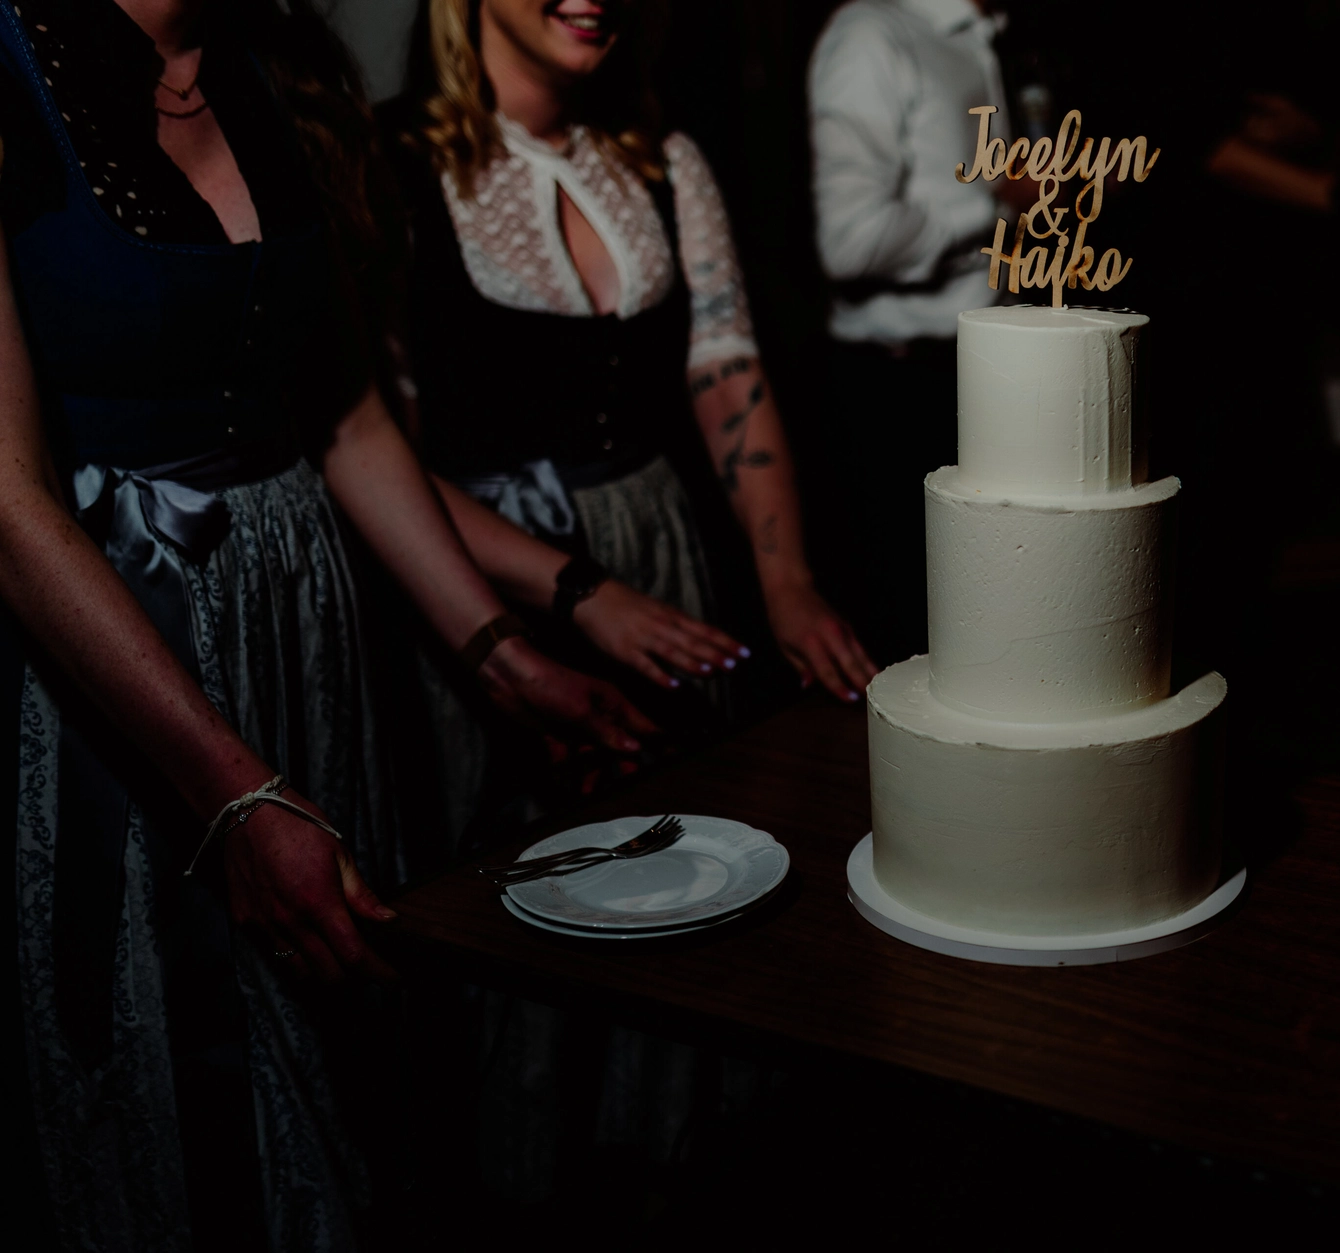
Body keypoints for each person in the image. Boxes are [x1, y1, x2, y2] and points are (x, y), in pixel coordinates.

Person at [0, 0, 656, 1246]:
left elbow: (346, 416)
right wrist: (236, 794)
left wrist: (500, 653)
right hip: (118, 675)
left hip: (309, 638)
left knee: (350, 1087)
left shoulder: (276, 61)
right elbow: (6, 499)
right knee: (182, 1106)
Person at [384, 0, 875, 841]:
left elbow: (727, 374)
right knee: (526, 866)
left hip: (662, 554)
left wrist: (786, 580)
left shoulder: (663, 161)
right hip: (481, 582)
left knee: (687, 845)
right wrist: (581, 592)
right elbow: (379, 451)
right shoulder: (385, 165)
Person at [808, 0, 1022, 661]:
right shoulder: (871, 34)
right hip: (898, 390)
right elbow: (849, 242)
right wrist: (995, 203)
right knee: (915, 644)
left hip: (990, 368)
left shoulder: (990, 33)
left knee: (998, 630)